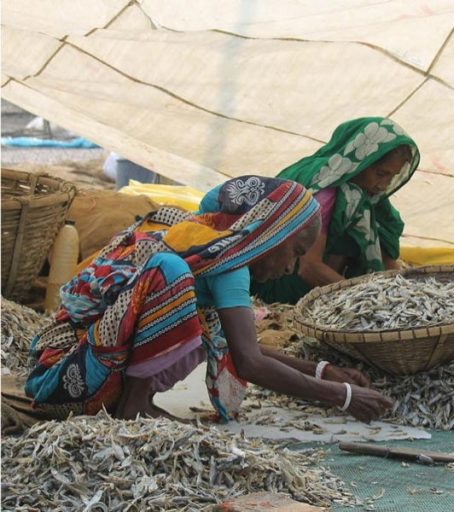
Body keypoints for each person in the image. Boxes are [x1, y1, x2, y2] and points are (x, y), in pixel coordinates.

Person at [25, 177, 393, 423]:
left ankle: (135, 401)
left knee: (200, 318)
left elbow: (241, 347)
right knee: (168, 272)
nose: (292, 268)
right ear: (269, 231)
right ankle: (135, 405)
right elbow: (249, 362)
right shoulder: (224, 261)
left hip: (66, 377)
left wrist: (321, 371)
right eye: (295, 252)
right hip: (68, 381)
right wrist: (341, 397)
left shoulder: (206, 244)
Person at [201, 117, 419, 304]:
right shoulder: (326, 191)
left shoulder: (365, 196)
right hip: (278, 279)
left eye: (392, 176)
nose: (384, 184)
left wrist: (403, 294)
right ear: (361, 161)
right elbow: (309, 268)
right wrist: (367, 298)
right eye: (381, 174)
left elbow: (387, 262)